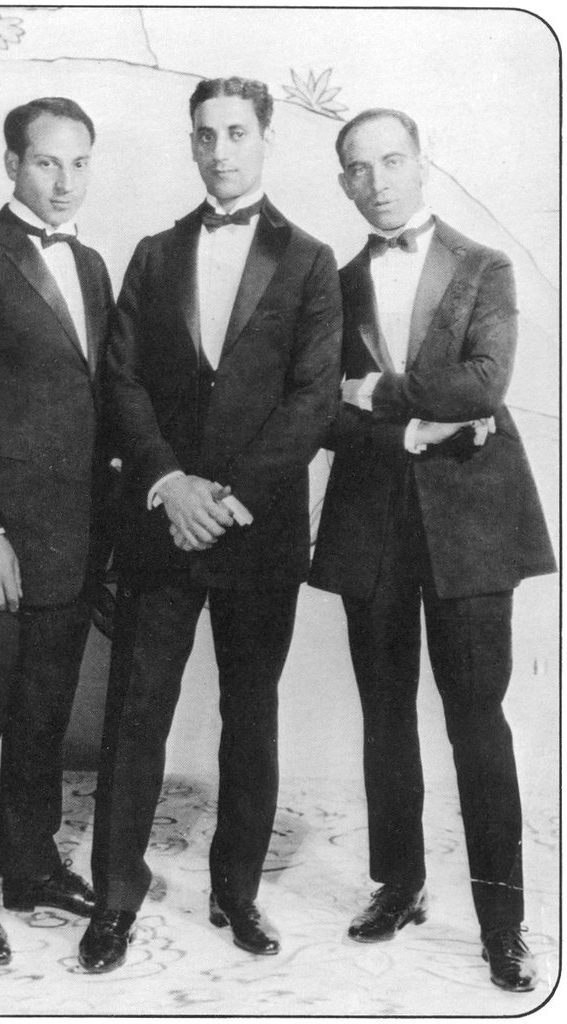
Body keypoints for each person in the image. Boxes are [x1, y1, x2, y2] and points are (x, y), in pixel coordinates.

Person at [78, 76, 342, 973]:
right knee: (135, 714)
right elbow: (121, 381)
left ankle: (237, 892)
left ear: (265, 138)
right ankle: (113, 898)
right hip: (162, 525)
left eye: (235, 133)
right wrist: (169, 485)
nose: (219, 151)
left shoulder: (310, 261)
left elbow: (311, 400)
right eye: (204, 135)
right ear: (189, 144)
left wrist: (225, 495)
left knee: (250, 714)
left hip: (256, 531)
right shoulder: (153, 254)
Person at [309, 108, 556, 993]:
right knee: (384, 715)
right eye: (358, 168)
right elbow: (318, 413)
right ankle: (398, 885)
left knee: (475, 722)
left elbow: (487, 382)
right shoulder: (329, 284)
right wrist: (410, 425)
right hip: (371, 519)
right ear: (342, 182)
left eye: (391, 161)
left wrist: (379, 388)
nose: (376, 180)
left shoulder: (483, 266)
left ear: (422, 164)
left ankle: (503, 923)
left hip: (473, 530)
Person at [0, 97, 114, 965]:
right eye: (46, 162)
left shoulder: (96, 265)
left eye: (78, 163)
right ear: (12, 164)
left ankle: (29, 866)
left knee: (42, 714)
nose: (63, 180)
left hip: (72, 539)